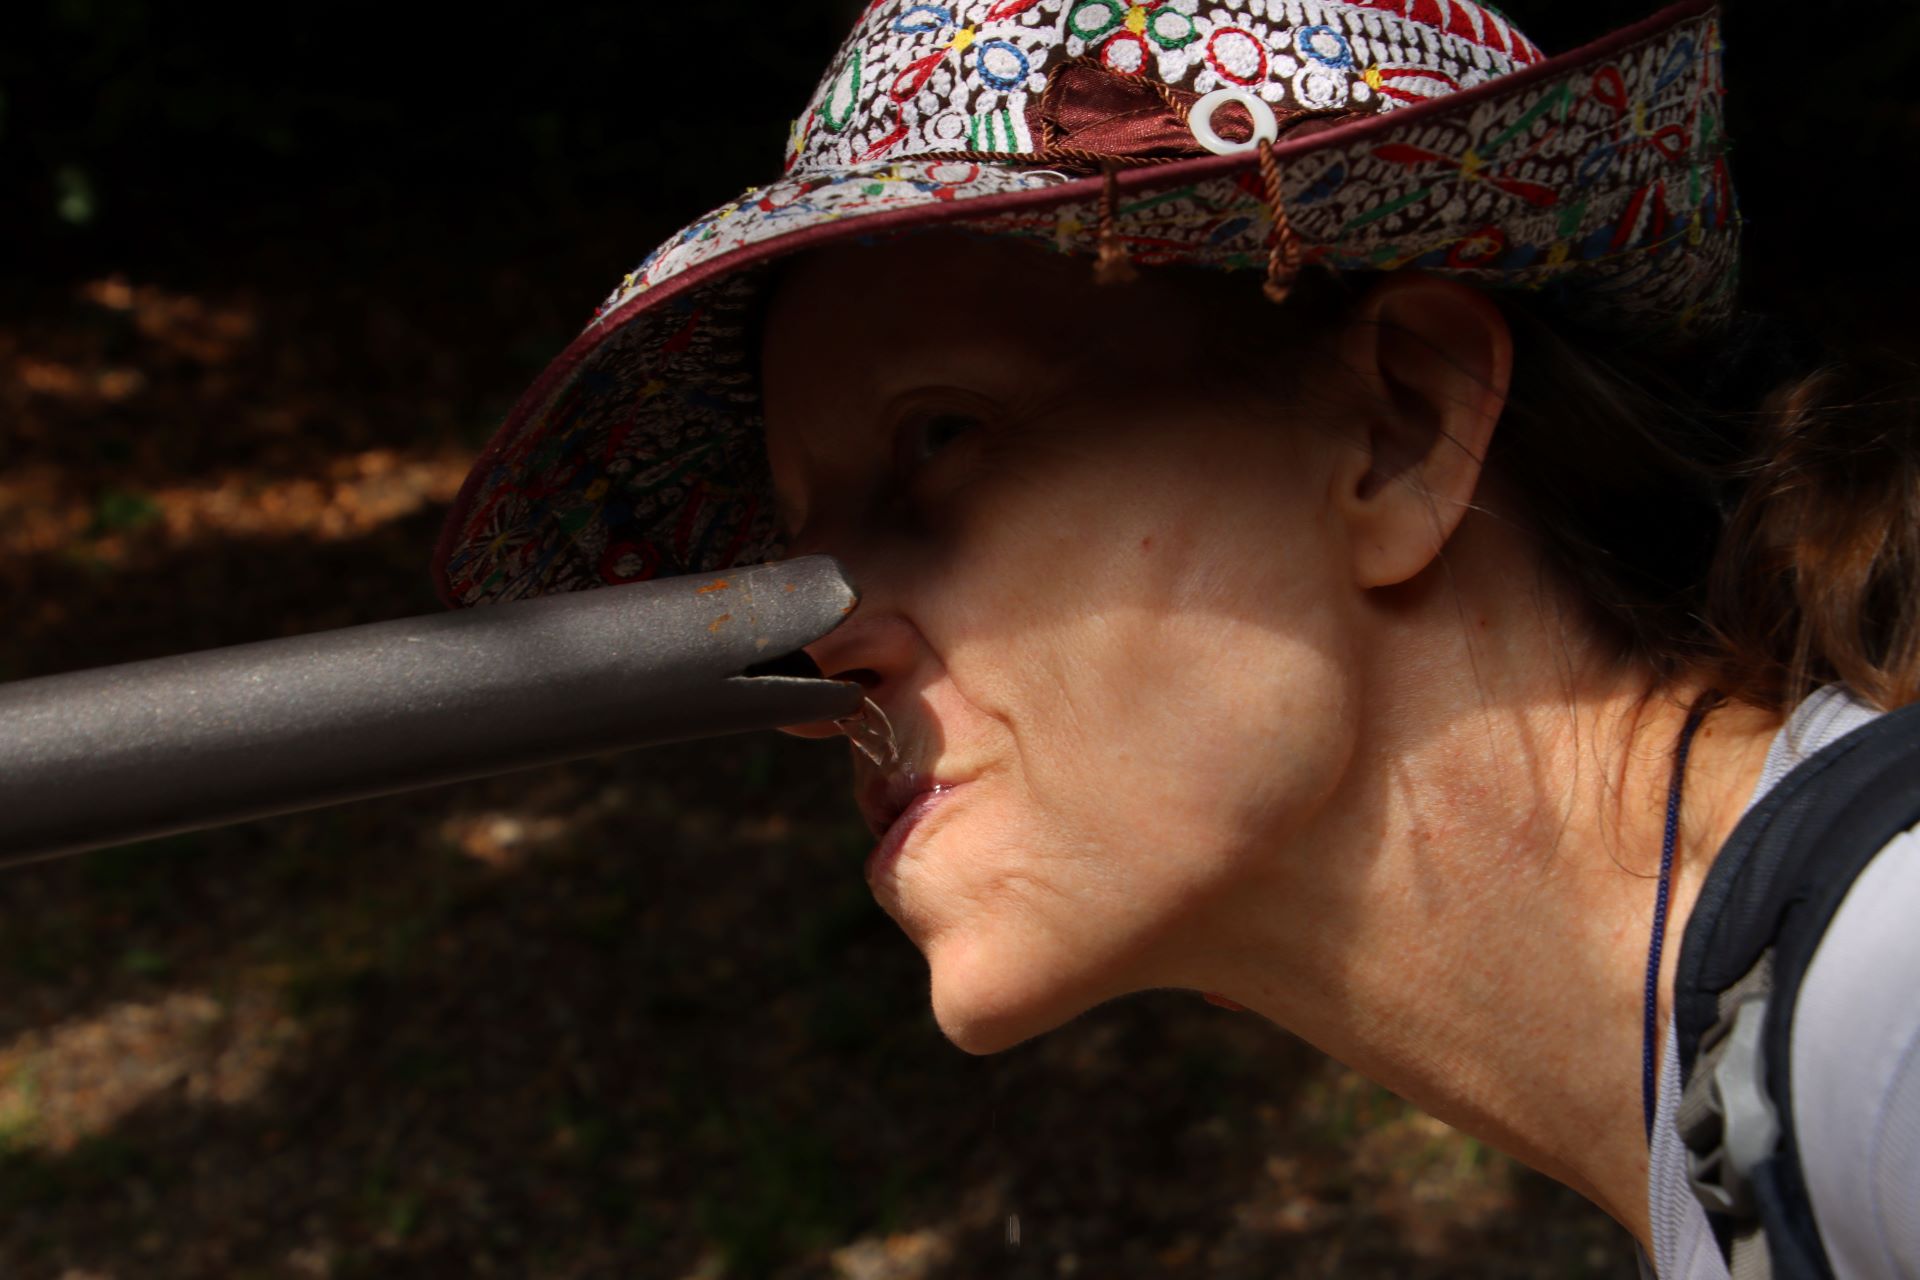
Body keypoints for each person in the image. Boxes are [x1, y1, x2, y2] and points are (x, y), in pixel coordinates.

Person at [433, 2, 1918, 1275]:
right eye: (801, 542)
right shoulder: (1778, 1091)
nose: (817, 649)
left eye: (940, 438)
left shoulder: (1886, 1001)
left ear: (1397, 429)